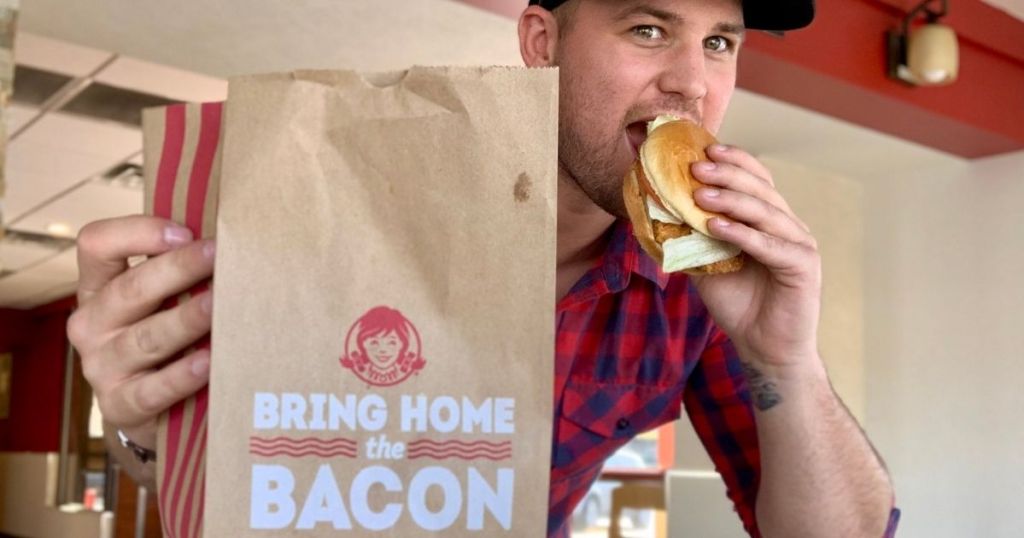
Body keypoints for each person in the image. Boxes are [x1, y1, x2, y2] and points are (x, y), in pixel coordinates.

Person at [68, 0, 899, 535]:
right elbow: (235, 472)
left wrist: (783, 358)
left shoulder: (696, 286)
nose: (691, 83)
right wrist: (145, 430)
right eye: (648, 29)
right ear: (542, 42)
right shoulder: (339, 208)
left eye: (719, 41)